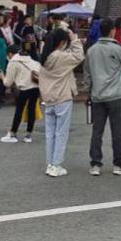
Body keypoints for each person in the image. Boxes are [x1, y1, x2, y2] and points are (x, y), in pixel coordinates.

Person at [85, 18, 121, 176]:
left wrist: (89, 90)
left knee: (97, 131)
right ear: (113, 30)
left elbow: (87, 74)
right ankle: (118, 164)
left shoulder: (92, 50)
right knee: (117, 132)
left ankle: (95, 164)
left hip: (98, 95)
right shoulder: (116, 48)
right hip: (115, 95)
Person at [38, 26, 85, 177]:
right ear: (62, 42)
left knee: (50, 134)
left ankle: (50, 164)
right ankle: (56, 165)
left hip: (48, 99)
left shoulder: (46, 57)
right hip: (62, 98)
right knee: (61, 134)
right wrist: (74, 37)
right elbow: (79, 56)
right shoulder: (61, 57)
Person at [2, 42, 42, 143]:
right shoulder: (32, 60)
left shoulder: (14, 62)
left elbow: (7, 83)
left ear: (10, 54)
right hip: (36, 87)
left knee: (19, 111)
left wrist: (2, 77)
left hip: (24, 88)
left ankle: (13, 133)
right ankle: (28, 135)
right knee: (31, 110)